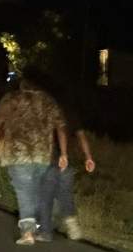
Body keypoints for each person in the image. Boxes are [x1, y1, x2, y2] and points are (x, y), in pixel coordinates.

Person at [0, 69, 67, 245]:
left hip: (18, 154)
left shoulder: (11, 99)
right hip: (42, 155)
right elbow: (61, 126)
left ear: (22, 85)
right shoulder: (48, 101)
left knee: (24, 191)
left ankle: (28, 233)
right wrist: (63, 153)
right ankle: (43, 227)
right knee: (36, 192)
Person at [36, 93, 96, 242]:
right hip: (68, 164)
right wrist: (88, 157)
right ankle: (73, 228)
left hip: (52, 160)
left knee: (45, 196)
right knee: (66, 196)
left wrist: (62, 154)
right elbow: (82, 137)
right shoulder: (72, 115)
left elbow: (58, 130)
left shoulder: (50, 112)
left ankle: (45, 232)